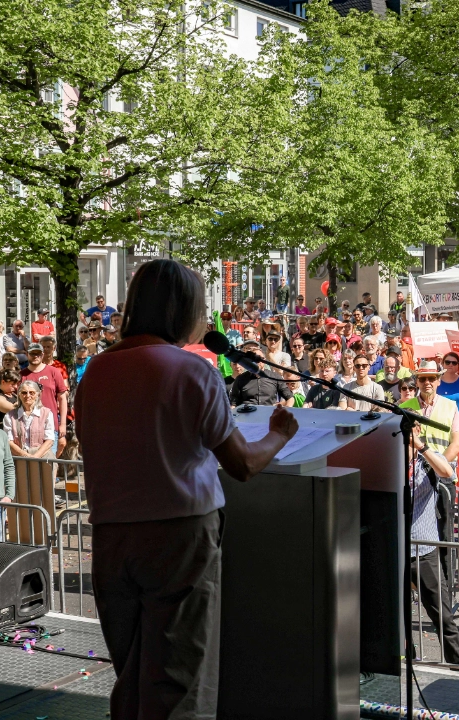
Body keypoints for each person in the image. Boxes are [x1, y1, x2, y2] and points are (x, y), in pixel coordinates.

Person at [74, 260, 300, 720]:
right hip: (180, 539)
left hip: (112, 537)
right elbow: (242, 464)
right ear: (181, 311)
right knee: (180, 679)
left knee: (132, 676)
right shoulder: (191, 371)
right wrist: (279, 433)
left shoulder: (95, 371)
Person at [400, 359, 459, 590]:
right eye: (422, 379)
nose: (427, 383)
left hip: (442, 479)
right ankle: (416, 586)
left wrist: (438, 467)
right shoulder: (405, 404)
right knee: (414, 532)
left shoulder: (450, 405)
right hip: (414, 479)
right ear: (416, 381)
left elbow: (457, 444)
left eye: (431, 379)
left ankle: (445, 588)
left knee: (443, 533)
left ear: (438, 380)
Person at [229, 340, 294, 407]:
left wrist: (287, 410)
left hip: (269, 414)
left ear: (264, 360)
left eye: (260, 358)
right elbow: (234, 403)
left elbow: (290, 398)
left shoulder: (274, 377)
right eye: (255, 359)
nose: (258, 361)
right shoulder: (240, 379)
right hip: (248, 414)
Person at [6, 381, 58, 459]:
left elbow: (49, 440)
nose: (28, 395)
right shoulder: (10, 415)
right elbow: (9, 441)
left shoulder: (47, 413)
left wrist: (35, 457)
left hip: (43, 458)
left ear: (38, 394)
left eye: (32, 393)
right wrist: (25, 455)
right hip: (18, 459)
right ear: (19, 395)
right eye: (24, 393)